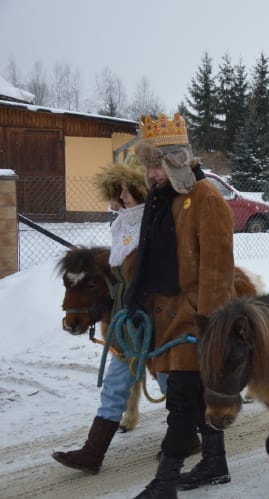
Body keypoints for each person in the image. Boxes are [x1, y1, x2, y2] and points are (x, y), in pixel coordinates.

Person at [126, 113, 237, 498]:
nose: (151, 175)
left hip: (197, 320)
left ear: (175, 161)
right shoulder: (164, 201)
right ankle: (215, 462)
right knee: (195, 396)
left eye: (155, 165)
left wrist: (211, 326)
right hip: (166, 317)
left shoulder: (206, 199)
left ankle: (165, 482)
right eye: (148, 166)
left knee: (182, 403)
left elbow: (218, 271)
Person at [52, 154, 153, 474]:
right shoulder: (122, 227)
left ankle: (196, 438)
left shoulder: (153, 224)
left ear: (138, 192)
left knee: (171, 384)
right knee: (114, 385)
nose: (118, 198)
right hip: (126, 322)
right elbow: (115, 277)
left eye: (124, 191)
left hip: (154, 321)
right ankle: (92, 454)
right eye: (117, 192)